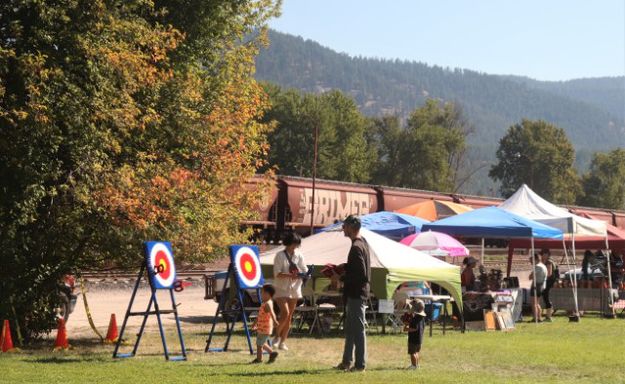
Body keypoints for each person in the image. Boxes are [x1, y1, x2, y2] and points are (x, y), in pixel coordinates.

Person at [335, 215, 371, 372]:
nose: (343, 228)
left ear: (351, 227)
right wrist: (345, 266)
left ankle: (359, 365)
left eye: (345, 226)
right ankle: (346, 362)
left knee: (358, 330)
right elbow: (358, 268)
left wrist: (340, 277)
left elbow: (361, 274)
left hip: (357, 294)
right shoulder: (362, 243)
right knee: (350, 330)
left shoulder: (356, 246)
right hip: (355, 293)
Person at [272, 232, 308, 351]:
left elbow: (304, 269)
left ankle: (283, 342)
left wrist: (304, 274)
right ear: (287, 243)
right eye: (293, 244)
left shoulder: (299, 255)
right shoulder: (279, 255)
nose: (295, 247)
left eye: (297, 244)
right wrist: (290, 275)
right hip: (281, 288)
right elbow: (277, 273)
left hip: (294, 289)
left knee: (289, 316)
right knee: (285, 313)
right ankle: (276, 337)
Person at [251, 284, 279, 364]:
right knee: (261, 343)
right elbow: (259, 316)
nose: (261, 294)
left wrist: (275, 320)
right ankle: (272, 353)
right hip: (263, 327)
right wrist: (254, 324)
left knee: (259, 344)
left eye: (262, 292)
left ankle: (259, 359)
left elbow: (272, 313)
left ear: (267, 294)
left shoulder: (268, 303)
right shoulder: (265, 303)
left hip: (265, 328)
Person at [404, 299, 426, 370]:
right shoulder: (422, 318)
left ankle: (413, 365)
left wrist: (406, 328)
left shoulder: (415, 319)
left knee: (412, 353)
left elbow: (414, 328)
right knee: (416, 352)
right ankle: (417, 365)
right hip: (419, 338)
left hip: (413, 338)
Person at [528, 253, 547, 322]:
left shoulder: (538, 266)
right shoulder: (544, 266)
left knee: (533, 303)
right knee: (537, 303)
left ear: (535, 259)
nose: (531, 263)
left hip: (536, 285)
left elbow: (530, 277)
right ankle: (539, 317)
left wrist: (531, 274)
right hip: (542, 285)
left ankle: (535, 318)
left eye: (531, 261)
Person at [540, 249, 558, 322]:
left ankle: (549, 315)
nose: (542, 256)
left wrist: (541, 277)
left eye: (544, 254)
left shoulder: (549, 262)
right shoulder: (547, 261)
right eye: (542, 254)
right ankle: (549, 314)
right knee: (545, 297)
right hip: (547, 281)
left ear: (547, 254)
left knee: (546, 297)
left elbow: (549, 274)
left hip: (548, 281)